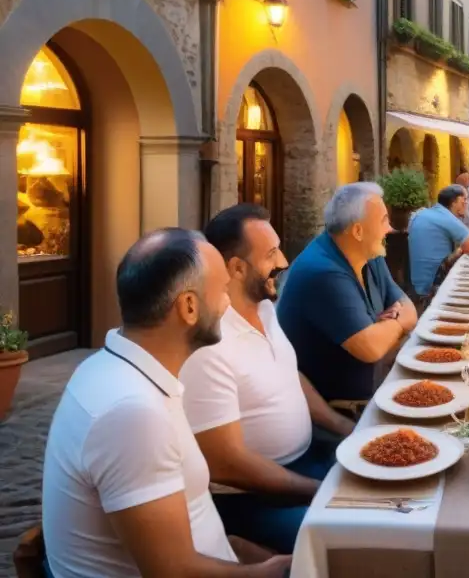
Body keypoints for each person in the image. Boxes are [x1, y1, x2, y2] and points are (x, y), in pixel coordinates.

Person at [42, 228, 290, 577]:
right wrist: (274, 571)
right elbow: (172, 570)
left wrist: (242, 551)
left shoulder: (113, 368)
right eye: (221, 291)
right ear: (189, 307)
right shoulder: (132, 413)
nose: (228, 303)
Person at [181, 205, 352, 556]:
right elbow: (226, 465)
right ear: (237, 267)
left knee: (397, 494)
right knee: (352, 542)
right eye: (272, 253)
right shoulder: (211, 343)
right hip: (252, 497)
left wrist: (345, 427)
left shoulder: (263, 307)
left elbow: (288, 374)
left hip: (309, 459)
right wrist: (317, 489)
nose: (284, 260)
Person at [277, 183, 417, 407]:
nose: (389, 228)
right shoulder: (323, 272)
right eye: (382, 220)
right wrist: (399, 324)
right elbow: (371, 348)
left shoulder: (370, 253)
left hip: (373, 391)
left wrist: (385, 328)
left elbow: (408, 306)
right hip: (336, 414)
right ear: (358, 231)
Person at [408, 185, 469, 297]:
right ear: (453, 202)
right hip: (432, 285)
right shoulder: (445, 216)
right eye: (464, 200)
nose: (466, 204)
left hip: (416, 283)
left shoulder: (428, 213)